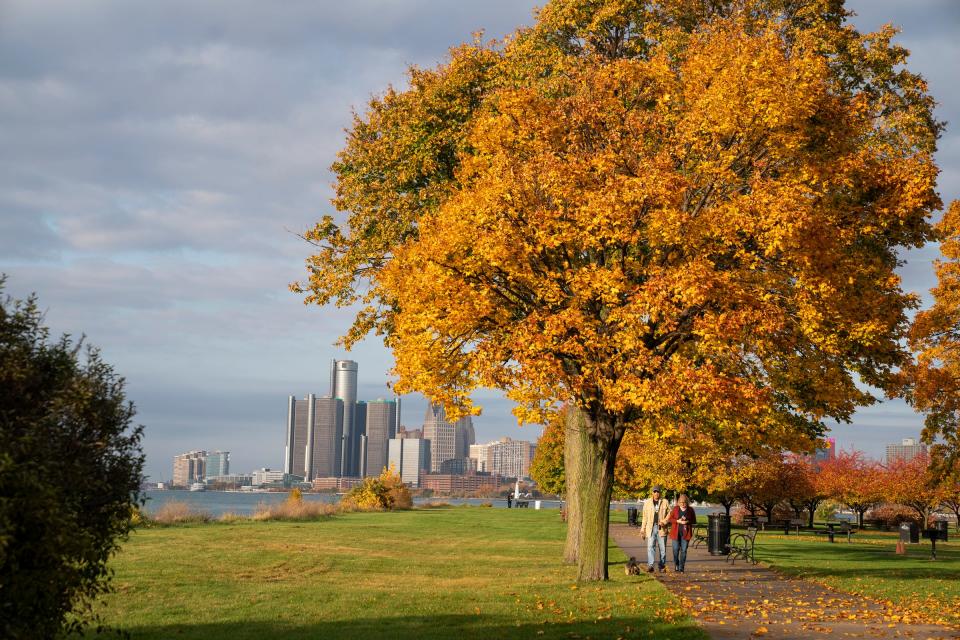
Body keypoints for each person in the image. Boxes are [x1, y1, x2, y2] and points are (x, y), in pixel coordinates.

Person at [639, 485, 670, 573]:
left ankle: (662, 566)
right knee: (650, 547)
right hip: (650, 528)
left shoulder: (665, 502)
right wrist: (642, 529)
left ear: (660, 493)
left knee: (662, 548)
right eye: (655, 491)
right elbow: (644, 517)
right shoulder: (647, 502)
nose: (656, 493)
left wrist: (664, 521)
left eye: (658, 491)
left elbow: (670, 514)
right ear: (652, 493)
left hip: (661, 528)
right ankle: (650, 566)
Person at [667, 493, 697, 573]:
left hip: (685, 533)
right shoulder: (676, 509)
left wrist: (687, 522)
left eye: (684, 503)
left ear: (687, 502)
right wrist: (677, 521)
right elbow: (670, 519)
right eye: (681, 503)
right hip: (675, 533)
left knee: (684, 550)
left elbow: (694, 521)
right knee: (675, 550)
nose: (683, 504)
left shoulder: (690, 510)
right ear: (678, 503)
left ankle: (681, 567)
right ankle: (676, 564)